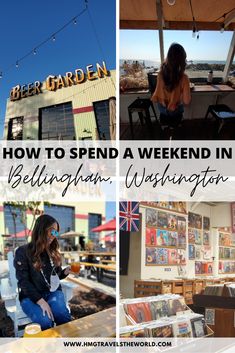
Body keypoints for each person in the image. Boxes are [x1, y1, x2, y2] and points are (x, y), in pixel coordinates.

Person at [14, 214, 72, 330]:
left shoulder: (53, 252)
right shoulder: (23, 252)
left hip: (52, 292)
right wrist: (41, 302)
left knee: (62, 315)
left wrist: (64, 273)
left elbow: (56, 276)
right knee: (45, 322)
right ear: (41, 230)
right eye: (51, 231)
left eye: (56, 233)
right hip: (30, 296)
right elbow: (23, 282)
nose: (53, 236)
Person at [151, 43, 191, 127]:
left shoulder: (160, 74)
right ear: (182, 60)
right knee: (175, 130)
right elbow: (186, 101)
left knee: (165, 131)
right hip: (176, 112)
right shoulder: (184, 78)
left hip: (163, 111)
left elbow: (158, 94)